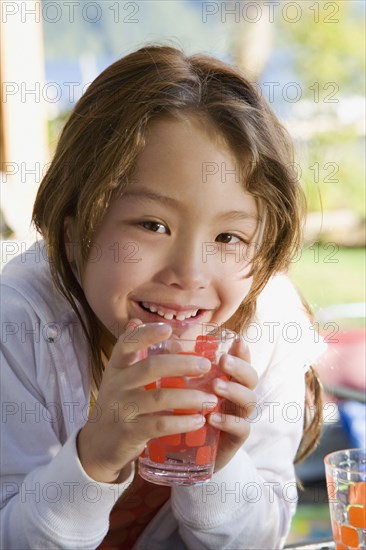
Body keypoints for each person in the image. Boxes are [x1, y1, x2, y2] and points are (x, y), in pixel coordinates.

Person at [0, 45, 326, 549]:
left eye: (228, 238)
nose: (189, 273)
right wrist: (96, 455)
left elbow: (260, 539)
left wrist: (219, 470)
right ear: (72, 233)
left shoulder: (266, 328)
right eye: (152, 225)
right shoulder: (16, 322)